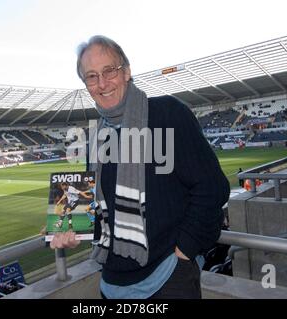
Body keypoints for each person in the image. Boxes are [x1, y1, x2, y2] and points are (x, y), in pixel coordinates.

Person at [51, 35, 230, 299]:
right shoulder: (95, 138)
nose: (102, 83)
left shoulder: (168, 114)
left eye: (109, 71)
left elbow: (211, 188)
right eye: (91, 76)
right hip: (111, 284)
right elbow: (99, 213)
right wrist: (70, 230)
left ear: (126, 71)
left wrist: (184, 252)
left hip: (167, 279)